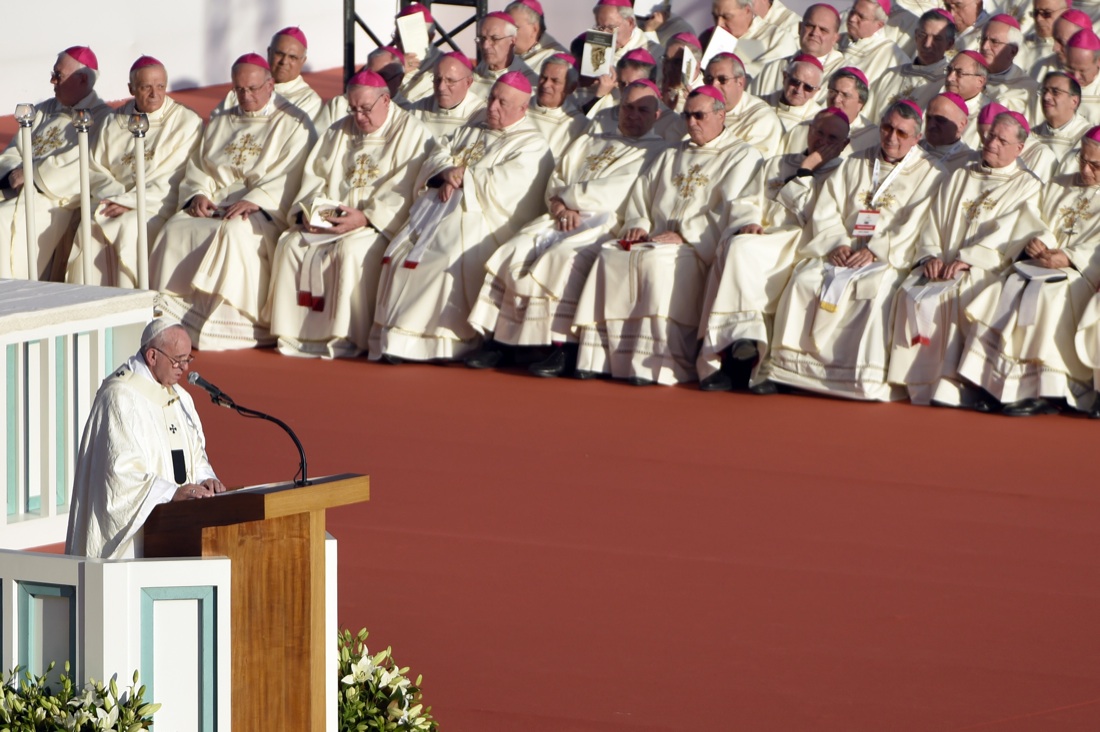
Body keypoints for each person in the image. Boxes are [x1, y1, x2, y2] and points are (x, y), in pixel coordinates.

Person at [465, 79, 668, 375]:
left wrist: (566, 199)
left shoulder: (657, 151)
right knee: (514, 248)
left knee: (562, 257)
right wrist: (559, 205)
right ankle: (500, 341)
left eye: (642, 109)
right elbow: (557, 176)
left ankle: (562, 347)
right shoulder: (591, 140)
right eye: (627, 107)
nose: (633, 115)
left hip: (604, 222)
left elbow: (616, 191)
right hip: (560, 216)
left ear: (657, 115)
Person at [572, 86, 764, 385]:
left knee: (657, 263)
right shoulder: (672, 151)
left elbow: (730, 210)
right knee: (612, 253)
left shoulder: (742, 156)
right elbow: (642, 195)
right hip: (657, 238)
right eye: (687, 115)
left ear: (721, 114)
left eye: (699, 116)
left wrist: (684, 235)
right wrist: (639, 222)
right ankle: (600, 357)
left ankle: (657, 364)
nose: (691, 123)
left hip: (696, 246)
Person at [765, 101, 945, 400]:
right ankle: (789, 369)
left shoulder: (931, 173)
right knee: (804, 279)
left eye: (902, 133)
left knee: (874, 288)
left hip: (886, 257)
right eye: (887, 128)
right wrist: (837, 243)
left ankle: (857, 378)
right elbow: (828, 208)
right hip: (843, 249)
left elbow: (916, 224)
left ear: (917, 138)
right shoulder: (855, 162)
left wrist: (876, 250)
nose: (892, 137)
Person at [370, 72, 553, 362]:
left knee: (442, 258)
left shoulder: (532, 144)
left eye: (502, 103)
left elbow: (510, 189)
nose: (492, 107)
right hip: (437, 213)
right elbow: (438, 152)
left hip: (485, 221)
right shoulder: (474, 126)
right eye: (491, 98)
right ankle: (396, 338)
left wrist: (463, 177)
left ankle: (443, 342)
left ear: (522, 108)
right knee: (398, 253)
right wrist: (445, 172)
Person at [151, 54, 314, 350]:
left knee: (234, 232)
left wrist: (255, 201)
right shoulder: (222, 119)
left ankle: (232, 323)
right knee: (174, 227)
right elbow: (200, 166)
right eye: (239, 90)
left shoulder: (294, 123)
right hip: (217, 203)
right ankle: (174, 318)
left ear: (270, 85)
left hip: (260, 210)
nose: (245, 96)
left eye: (252, 89)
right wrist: (198, 194)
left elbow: (292, 174)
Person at [267, 70, 432, 359]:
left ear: (386, 99)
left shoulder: (411, 131)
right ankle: (295, 333)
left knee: (351, 251)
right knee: (291, 244)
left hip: (375, 225)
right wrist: (312, 212)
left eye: (365, 109)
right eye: (353, 109)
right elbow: (315, 177)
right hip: (335, 217)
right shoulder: (338, 130)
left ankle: (344, 336)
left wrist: (366, 217)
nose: (358, 117)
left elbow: (406, 190)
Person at [887, 111, 1045, 407]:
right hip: (941, 262)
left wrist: (969, 260)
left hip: (986, 267)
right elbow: (932, 221)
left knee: (960, 290)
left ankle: (955, 382)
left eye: (1001, 140)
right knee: (910, 291)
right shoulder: (960, 175)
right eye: (990, 136)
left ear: (1019, 148)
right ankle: (916, 378)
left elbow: (1011, 233)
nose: (992, 143)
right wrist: (929, 256)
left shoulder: (1027, 185)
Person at [698, 107, 851, 392]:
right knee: (733, 245)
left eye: (833, 138)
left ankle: (741, 351)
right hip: (762, 236)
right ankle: (731, 354)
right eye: (819, 132)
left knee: (741, 251)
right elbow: (746, 200)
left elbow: (811, 215)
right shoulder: (777, 163)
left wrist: (807, 170)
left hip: (797, 240)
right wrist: (749, 221)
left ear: (844, 144)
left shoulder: (843, 173)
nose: (823, 141)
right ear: (809, 130)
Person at [955, 128, 1100, 415]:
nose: (1084, 169)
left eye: (1095, 166)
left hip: (1081, 274)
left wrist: (1069, 257)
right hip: (1042, 264)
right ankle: (995, 384)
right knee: (1008, 285)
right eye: (1082, 160)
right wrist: (1042, 241)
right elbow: (1031, 216)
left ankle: (1045, 391)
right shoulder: (1058, 185)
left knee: (1048, 293)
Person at [65, 319, 225, 560]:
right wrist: (171, 493)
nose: (183, 368)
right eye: (177, 360)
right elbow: (119, 476)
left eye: (187, 360)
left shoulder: (181, 398)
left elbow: (196, 454)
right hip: (135, 542)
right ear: (152, 356)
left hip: (178, 528)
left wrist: (206, 478)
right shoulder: (119, 397)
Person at [66, 56, 203, 288]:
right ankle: (90, 303)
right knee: (89, 226)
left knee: (129, 226)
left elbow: (173, 176)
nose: (155, 94)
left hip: (153, 205)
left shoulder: (185, 122)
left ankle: (131, 301)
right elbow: (92, 166)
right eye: (146, 87)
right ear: (131, 89)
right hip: (109, 201)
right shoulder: (113, 120)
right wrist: (115, 198)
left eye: (160, 86)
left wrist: (130, 202)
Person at [0, 46, 111, 280]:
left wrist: (31, 175)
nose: (52, 81)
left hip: (53, 200)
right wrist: (13, 172)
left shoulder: (101, 119)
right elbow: (13, 150)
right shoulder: (44, 110)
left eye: (58, 75)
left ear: (81, 79)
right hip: (15, 190)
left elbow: (84, 163)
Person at [213, 27, 323, 123]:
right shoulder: (241, 90)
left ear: (303, 61)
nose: (284, 61)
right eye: (279, 54)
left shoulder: (309, 101)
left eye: (292, 57)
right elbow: (217, 127)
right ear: (269, 52)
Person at [868, 9, 955, 120]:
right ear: (915, 36)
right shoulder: (890, 75)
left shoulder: (945, 84)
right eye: (923, 35)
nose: (927, 44)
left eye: (937, 39)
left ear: (949, 44)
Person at [751, 4, 845, 101]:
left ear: (835, 38)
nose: (815, 33)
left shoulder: (843, 77)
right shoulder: (774, 68)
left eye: (823, 30)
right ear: (800, 28)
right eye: (810, 26)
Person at [702, 52, 783, 159]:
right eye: (708, 79)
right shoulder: (698, 109)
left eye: (722, 80)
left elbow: (751, 162)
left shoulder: (762, 118)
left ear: (740, 82)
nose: (713, 86)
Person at [710, 0, 799, 80]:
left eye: (726, 17)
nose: (719, 24)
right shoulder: (709, 38)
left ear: (747, 10)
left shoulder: (777, 38)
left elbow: (765, 80)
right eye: (715, 17)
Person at [407, 51, 485, 140]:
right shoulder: (417, 111)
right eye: (437, 79)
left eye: (450, 81)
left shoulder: (481, 115)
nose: (441, 87)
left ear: (468, 82)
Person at [527, 55, 589, 160]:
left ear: (571, 87)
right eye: (543, 78)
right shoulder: (520, 105)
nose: (546, 85)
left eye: (555, 81)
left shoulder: (578, 124)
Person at [977, 14, 1037, 113]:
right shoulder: (965, 74)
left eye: (994, 42)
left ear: (1013, 51)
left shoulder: (1028, 89)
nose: (984, 47)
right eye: (983, 39)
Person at [470, 12, 537, 99]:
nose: (485, 46)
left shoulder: (530, 83)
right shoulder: (472, 77)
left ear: (513, 41)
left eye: (495, 39)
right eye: (482, 39)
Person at [838, 0, 907, 82]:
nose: (852, 19)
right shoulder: (836, 39)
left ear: (879, 25)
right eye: (852, 11)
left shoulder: (891, 55)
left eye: (861, 17)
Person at [1031, 71, 1090, 159]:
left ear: (1074, 101)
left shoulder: (1087, 137)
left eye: (1055, 92)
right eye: (1044, 91)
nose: (1046, 97)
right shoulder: (1032, 135)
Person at [919, 91, 975, 172]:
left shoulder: (968, 162)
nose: (931, 125)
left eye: (940, 120)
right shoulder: (913, 147)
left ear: (962, 124)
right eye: (929, 118)